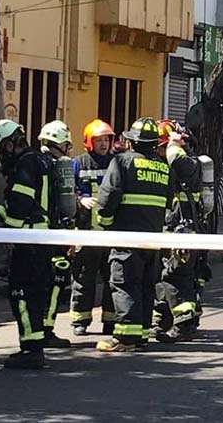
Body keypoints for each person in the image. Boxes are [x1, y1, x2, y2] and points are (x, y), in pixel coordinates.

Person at [0, 119, 75, 370]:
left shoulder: (25, 164)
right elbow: (27, 201)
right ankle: (33, 346)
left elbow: (20, 206)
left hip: (29, 241)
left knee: (21, 295)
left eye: (2, 151)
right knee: (34, 295)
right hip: (44, 240)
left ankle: (31, 350)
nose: (3, 157)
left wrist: (9, 237)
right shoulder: (40, 160)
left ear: (10, 144)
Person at [95, 117, 170, 353]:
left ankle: (126, 338)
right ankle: (142, 335)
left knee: (125, 284)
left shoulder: (122, 162)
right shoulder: (164, 168)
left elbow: (108, 197)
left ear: (132, 142)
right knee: (146, 286)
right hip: (153, 240)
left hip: (126, 237)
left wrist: (104, 224)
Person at [152, 120, 207, 343]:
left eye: (160, 146)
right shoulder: (185, 161)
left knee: (174, 275)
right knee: (172, 275)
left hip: (181, 228)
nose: (157, 151)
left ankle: (183, 325)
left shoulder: (183, 161)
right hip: (182, 226)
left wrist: (173, 146)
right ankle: (168, 320)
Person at [70, 119, 117, 337]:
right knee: (83, 277)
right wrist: (80, 200)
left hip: (110, 232)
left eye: (107, 139)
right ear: (89, 141)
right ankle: (81, 319)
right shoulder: (77, 163)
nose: (104, 144)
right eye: (99, 140)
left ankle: (110, 319)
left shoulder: (117, 163)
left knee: (113, 279)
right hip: (86, 231)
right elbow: (66, 191)